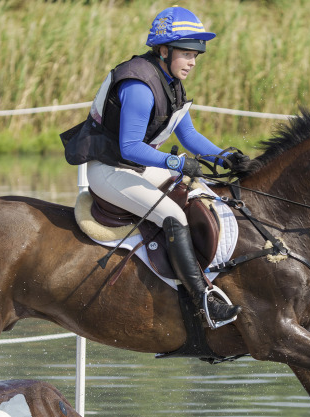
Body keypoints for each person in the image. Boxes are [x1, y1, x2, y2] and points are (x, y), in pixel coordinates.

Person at [61, 5, 249, 326]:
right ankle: (202, 300)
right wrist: (176, 162)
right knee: (173, 215)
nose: (193, 62)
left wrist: (224, 158)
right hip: (110, 170)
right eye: (187, 54)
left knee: (201, 192)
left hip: (136, 166)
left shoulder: (171, 81)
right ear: (164, 50)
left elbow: (188, 135)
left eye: (196, 55)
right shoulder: (139, 84)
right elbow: (130, 147)